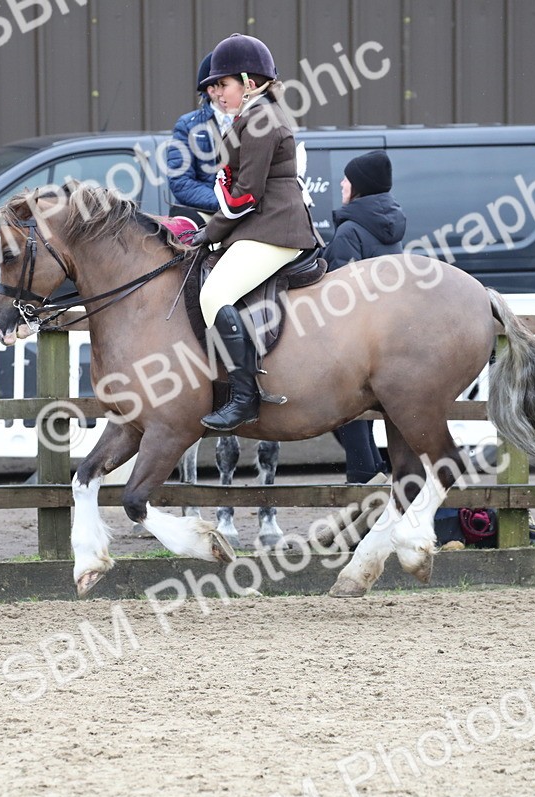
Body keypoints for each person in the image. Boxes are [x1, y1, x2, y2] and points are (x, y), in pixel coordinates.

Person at [190, 33, 320, 431]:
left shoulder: (261, 119)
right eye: (214, 87)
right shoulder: (254, 114)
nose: (217, 94)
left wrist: (209, 231)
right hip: (263, 224)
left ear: (248, 82)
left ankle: (244, 399)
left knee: (214, 294)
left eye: (223, 85)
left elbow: (246, 195)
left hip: (276, 229)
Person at [321, 150, 405, 482]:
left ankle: (364, 477)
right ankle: (373, 473)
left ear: (359, 187)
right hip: (384, 333)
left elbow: (339, 295)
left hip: (355, 340)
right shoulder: (390, 226)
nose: (342, 183)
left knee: (344, 411)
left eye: (347, 179)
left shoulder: (351, 231)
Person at [166, 53, 227, 224]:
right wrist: (224, 203)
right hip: (203, 213)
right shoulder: (188, 125)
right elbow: (181, 181)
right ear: (211, 90)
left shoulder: (253, 121)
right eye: (221, 85)